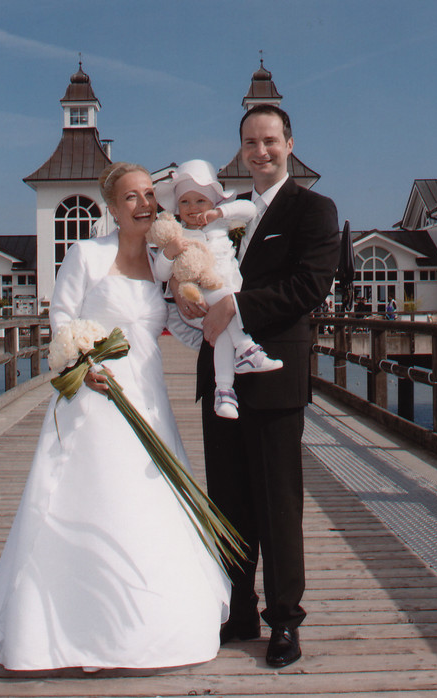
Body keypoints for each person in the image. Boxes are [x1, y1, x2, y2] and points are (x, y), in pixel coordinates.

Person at [0, 162, 229, 672]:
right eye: (131, 197)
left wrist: (227, 317)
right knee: (93, 500)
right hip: (95, 396)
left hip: (147, 401)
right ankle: (70, 629)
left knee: (151, 502)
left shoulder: (160, 266)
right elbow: (62, 320)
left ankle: (149, 627)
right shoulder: (86, 255)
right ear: (111, 207)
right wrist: (81, 364)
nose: (144, 204)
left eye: (151, 194)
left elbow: (189, 327)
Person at [174, 104, 339, 668]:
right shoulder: (223, 213)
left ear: (289, 143)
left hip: (273, 376)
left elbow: (307, 287)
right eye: (250, 142)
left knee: (277, 505)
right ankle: (238, 609)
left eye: (270, 140)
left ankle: (285, 621)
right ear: (241, 149)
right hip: (219, 379)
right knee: (229, 502)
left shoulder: (312, 210)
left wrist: (233, 309)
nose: (260, 151)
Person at [153, 159, 283, 419]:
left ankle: (224, 392)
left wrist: (219, 214)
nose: (193, 208)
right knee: (224, 307)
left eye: (201, 201)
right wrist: (169, 253)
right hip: (199, 299)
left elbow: (249, 210)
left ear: (213, 202)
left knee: (224, 331)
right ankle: (246, 348)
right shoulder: (177, 235)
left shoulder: (221, 224)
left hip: (229, 298)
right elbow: (161, 273)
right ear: (177, 207)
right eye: (185, 202)